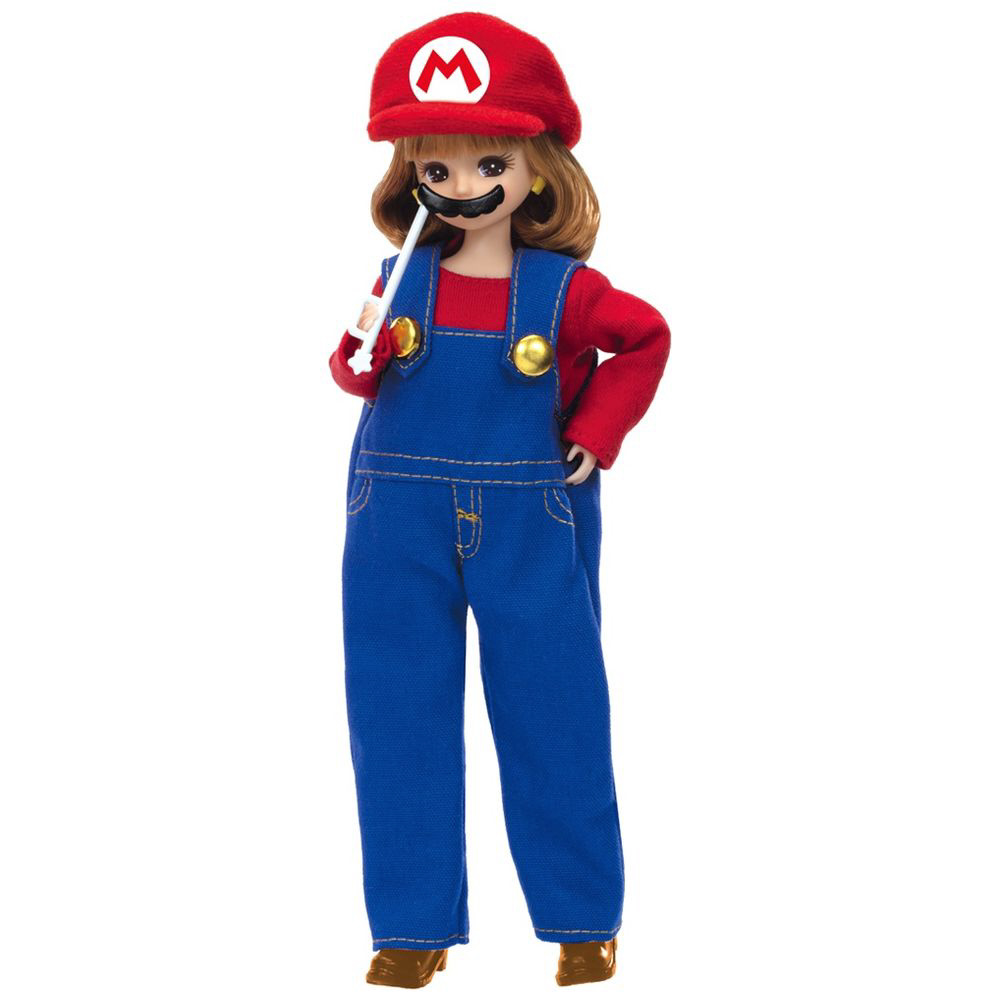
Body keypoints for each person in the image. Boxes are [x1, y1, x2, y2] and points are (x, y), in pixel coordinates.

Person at [328, 12, 671, 988]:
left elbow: (646, 338)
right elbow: (354, 375)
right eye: (435, 167)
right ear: (410, 174)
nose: (463, 185)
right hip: (395, 522)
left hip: (529, 517)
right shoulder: (399, 278)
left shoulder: (566, 290)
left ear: (536, 171)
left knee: (555, 711)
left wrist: (596, 428)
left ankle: (582, 920)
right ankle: (410, 926)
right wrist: (359, 350)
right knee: (395, 714)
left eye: (490, 163)